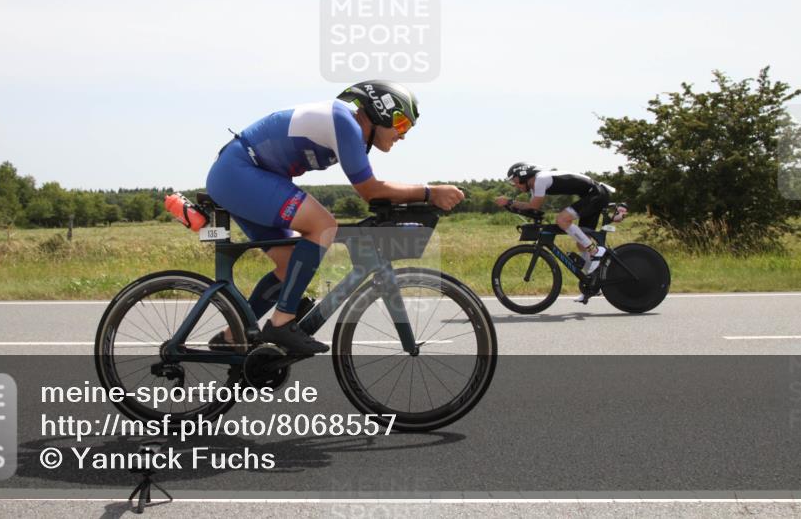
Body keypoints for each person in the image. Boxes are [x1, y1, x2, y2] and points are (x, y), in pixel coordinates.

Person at [205, 80, 465, 354]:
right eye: (401, 124)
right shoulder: (345, 124)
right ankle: (281, 323)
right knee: (323, 225)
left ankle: (233, 335)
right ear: (381, 111)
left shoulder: (347, 127)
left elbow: (372, 191)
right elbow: (370, 190)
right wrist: (429, 192)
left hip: (244, 175)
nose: (402, 135)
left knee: (288, 265)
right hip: (241, 171)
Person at [495, 163, 612, 303]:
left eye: (516, 182)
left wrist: (510, 201)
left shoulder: (540, 180)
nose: (516, 186)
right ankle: (593, 284)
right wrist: (512, 206)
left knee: (562, 220)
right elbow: (534, 210)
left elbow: (533, 206)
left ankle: (596, 251)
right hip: (593, 195)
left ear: (523, 176)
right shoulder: (536, 184)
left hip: (596, 194)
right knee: (582, 244)